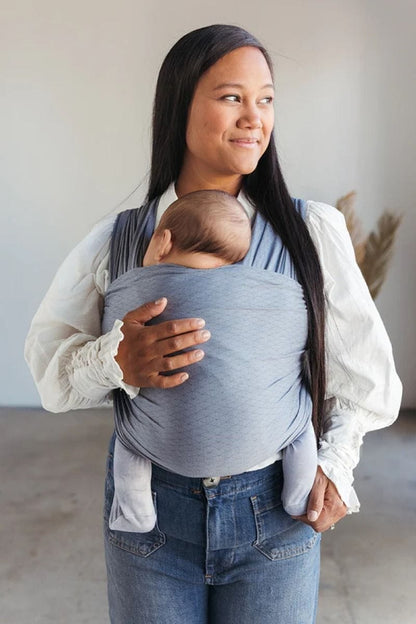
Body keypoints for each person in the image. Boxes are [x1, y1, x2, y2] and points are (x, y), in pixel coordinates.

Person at [24, 24, 402, 624]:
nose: (255, 117)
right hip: (149, 516)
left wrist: (334, 466)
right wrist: (113, 361)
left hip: (275, 512)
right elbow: (50, 373)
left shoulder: (310, 232)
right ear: (180, 106)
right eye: (232, 97)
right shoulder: (117, 241)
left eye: (266, 99)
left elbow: (368, 380)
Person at [108, 188, 318, 534]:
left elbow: (109, 334)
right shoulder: (274, 271)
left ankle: (136, 512)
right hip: (267, 450)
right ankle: (299, 497)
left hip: (160, 450)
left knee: (129, 439)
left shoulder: (137, 284)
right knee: (298, 423)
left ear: (162, 241)